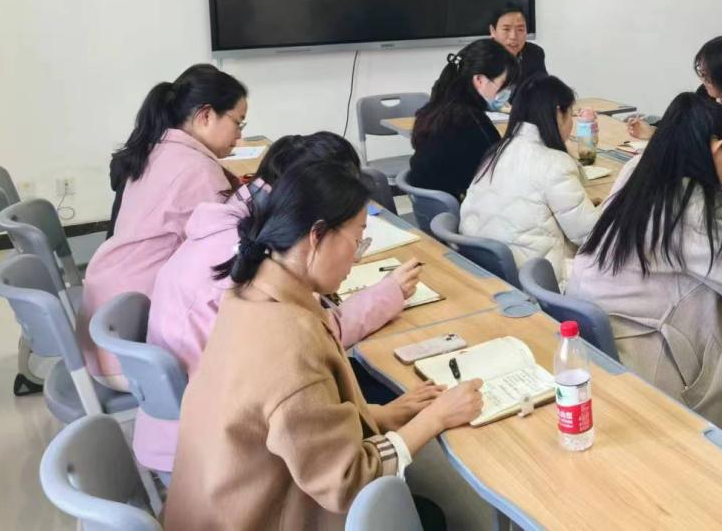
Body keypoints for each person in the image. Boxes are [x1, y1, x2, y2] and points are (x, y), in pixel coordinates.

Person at [164, 161, 483, 531]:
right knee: (425, 517)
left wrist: (381, 415)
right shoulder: (289, 342)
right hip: (252, 518)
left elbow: (286, 424)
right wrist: (436, 418)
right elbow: (349, 482)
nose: (357, 257)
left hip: (219, 507)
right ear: (317, 235)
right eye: (357, 240)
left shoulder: (248, 292)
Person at [135, 132, 421, 475]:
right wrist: (424, 423)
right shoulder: (253, 284)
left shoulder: (238, 238)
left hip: (197, 432)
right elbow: (342, 473)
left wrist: (374, 415)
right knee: (379, 383)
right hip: (210, 458)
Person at [569, 94, 722, 441]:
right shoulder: (689, 203)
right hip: (647, 359)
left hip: (605, 339)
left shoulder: (640, 169)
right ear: (715, 147)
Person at [78, 64, 247, 385]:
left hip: (107, 328)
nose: (239, 135)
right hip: (135, 358)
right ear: (206, 115)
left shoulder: (157, 149)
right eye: (238, 122)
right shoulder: (197, 170)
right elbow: (230, 252)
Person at [461, 75, 598, 282]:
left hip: (487, 270)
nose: (571, 123)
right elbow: (589, 236)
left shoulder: (497, 152)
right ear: (558, 113)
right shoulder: (554, 163)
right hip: (539, 278)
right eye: (571, 114)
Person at [625, 36, 722, 166]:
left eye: (707, 76)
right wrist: (655, 130)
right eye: (701, 72)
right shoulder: (704, 93)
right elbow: (684, 124)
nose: (702, 79)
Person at [409, 38, 517, 199]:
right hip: (461, 208)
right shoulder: (472, 124)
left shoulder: (436, 109)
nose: (507, 93)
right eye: (504, 85)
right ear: (479, 80)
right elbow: (500, 175)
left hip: (431, 207)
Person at [489, 1, 546, 80]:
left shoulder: (535, 53)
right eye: (506, 29)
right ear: (493, 31)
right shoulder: (480, 58)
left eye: (520, 29)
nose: (513, 36)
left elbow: (543, 84)